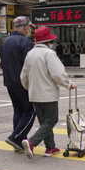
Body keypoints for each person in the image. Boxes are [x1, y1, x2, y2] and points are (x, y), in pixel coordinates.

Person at [20, 26, 76, 159]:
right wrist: (68, 84)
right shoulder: (49, 54)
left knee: (44, 122)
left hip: (34, 95)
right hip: (48, 95)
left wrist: (30, 88)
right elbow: (57, 74)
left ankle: (50, 148)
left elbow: (23, 76)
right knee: (51, 120)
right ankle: (31, 142)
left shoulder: (30, 54)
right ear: (48, 41)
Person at [1, 17, 36, 152]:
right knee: (30, 111)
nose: (29, 30)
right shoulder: (25, 42)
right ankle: (15, 137)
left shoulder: (6, 41)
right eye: (28, 27)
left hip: (9, 82)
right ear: (24, 27)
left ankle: (19, 142)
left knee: (18, 111)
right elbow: (30, 64)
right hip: (22, 83)